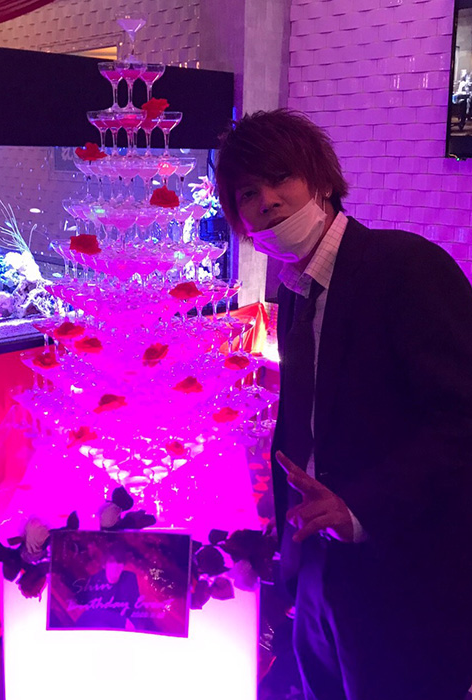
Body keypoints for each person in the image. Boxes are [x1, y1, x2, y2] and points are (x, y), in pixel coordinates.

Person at [215, 109, 472, 700]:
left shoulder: (406, 267)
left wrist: (360, 506)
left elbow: (462, 419)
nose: (267, 201)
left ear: (322, 180)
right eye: (248, 193)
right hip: (318, 564)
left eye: (280, 178)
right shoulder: (294, 287)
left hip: (403, 570)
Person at [75, 541, 139, 630]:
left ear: (123, 565)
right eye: (111, 562)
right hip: (100, 627)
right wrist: (121, 621)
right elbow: (94, 613)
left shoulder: (130, 578)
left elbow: (135, 608)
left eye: (119, 562)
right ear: (104, 565)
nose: (116, 566)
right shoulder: (95, 581)